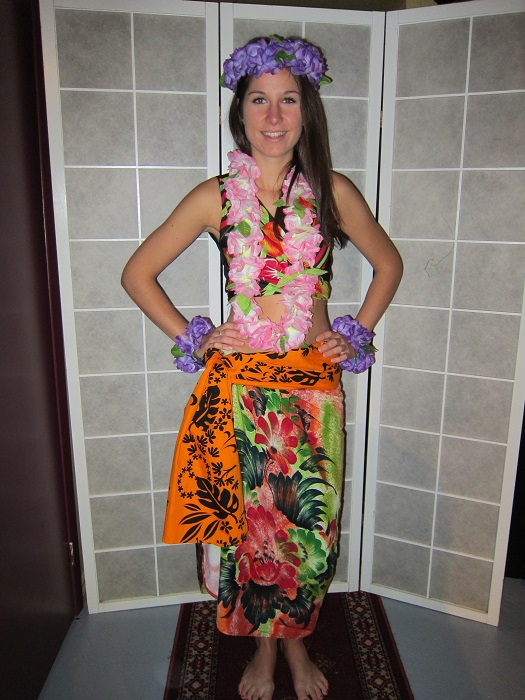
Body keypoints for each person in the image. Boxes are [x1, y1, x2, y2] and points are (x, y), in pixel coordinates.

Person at [122, 35, 402, 700]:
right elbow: (137, 274)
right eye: (258, 100)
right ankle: (264, 651)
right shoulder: (215, 197)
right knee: (251, 536)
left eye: (288, 100)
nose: (273, 116)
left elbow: (388, 265)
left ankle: (298, 644)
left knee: (307, 531)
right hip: (242, 391)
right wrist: (196, 337)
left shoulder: (332, 191)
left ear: (307, 111)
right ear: (239, 111)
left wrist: (354, 332)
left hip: (313, 391)